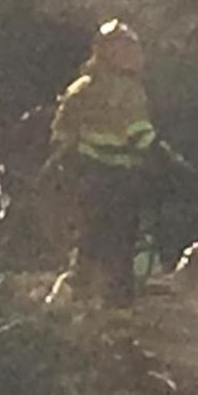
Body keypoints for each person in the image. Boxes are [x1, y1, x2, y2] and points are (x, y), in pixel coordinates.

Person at [48, 19, 158, 308]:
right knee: (120, 247)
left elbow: (60, 134)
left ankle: (75, 300)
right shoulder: (130, 90)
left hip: (88, 180)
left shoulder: (80, 88)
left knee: (89, 241)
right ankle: (116, 309)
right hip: (121, 181)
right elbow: (140, 136)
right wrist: (168, 160)